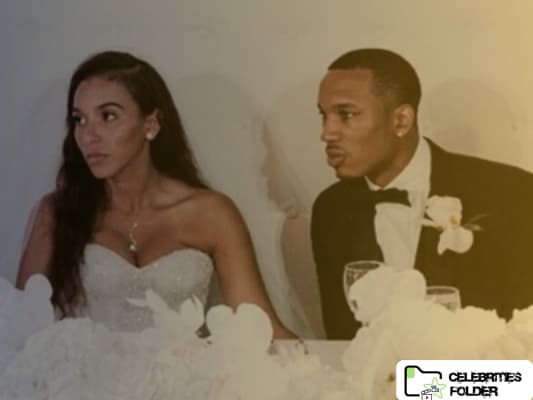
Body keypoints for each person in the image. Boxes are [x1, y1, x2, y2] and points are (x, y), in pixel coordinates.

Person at [16, 50, 295, 338]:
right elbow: (20, 332)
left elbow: (262, 328)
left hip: (185, 368)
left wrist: (315, 364)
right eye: (79, 120)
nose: (88, 136)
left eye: (108, 116)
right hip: (84, 368)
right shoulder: (56, 214)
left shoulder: (212, 213)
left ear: (150, 125)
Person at [311, 48, 533, 339]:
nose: (327, 133)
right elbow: (344, 339)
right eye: (323, 116)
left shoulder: (511, 192)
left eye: (346, 115)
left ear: (401, 120)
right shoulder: (331, 209)